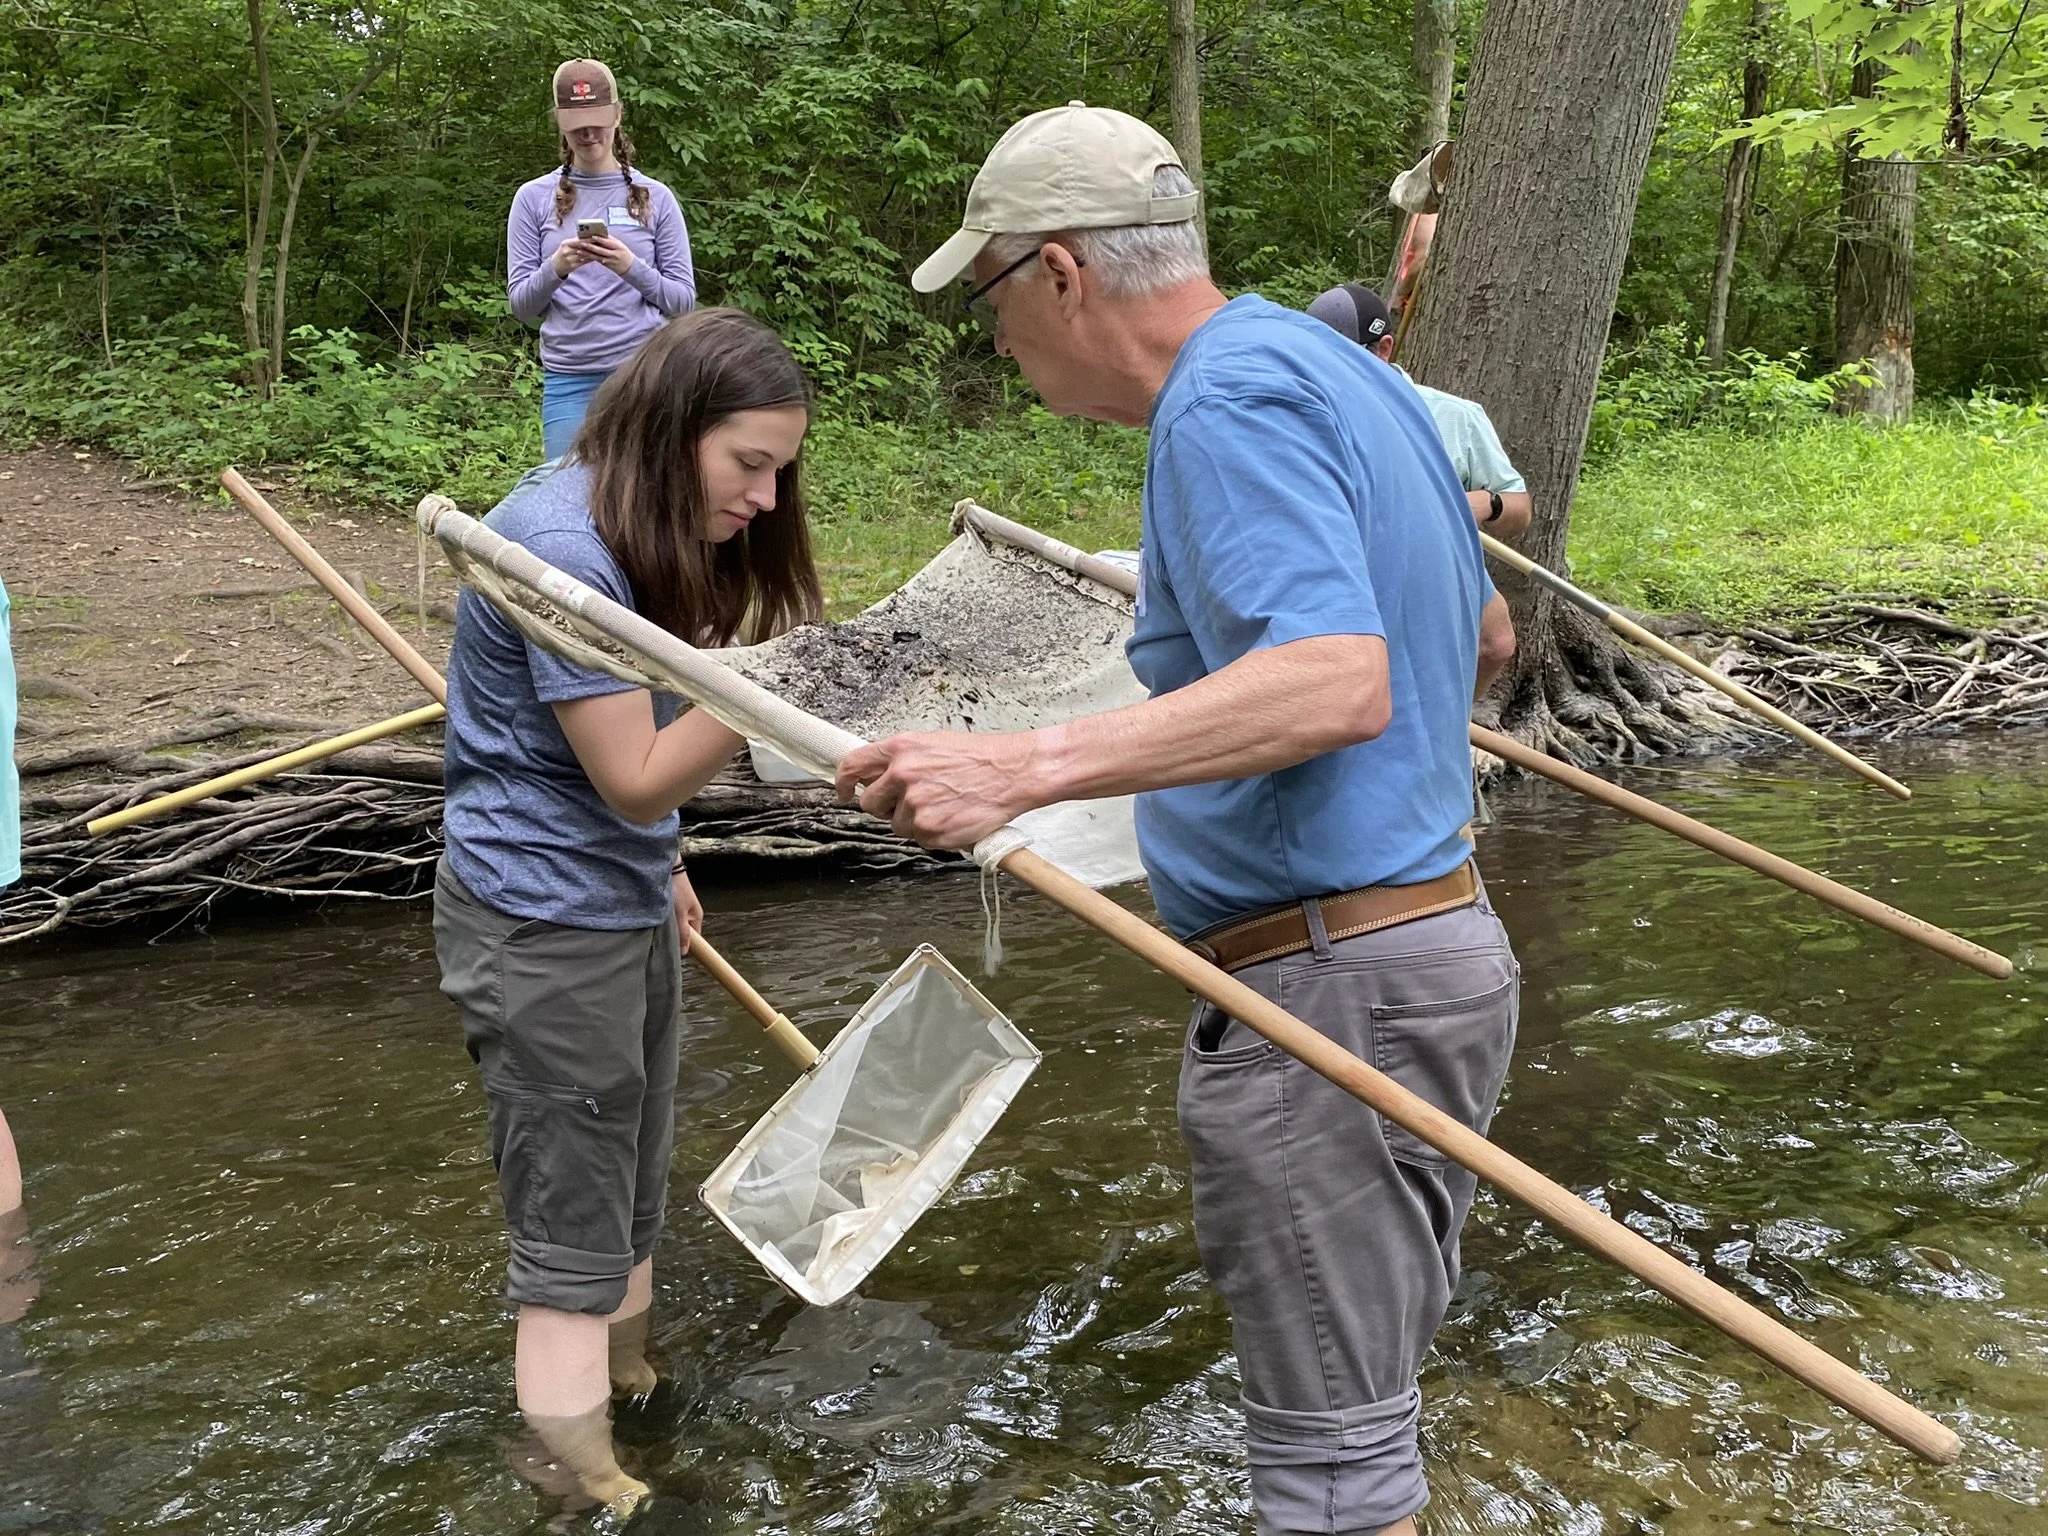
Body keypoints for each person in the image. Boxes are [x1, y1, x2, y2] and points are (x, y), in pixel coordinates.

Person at [836, 104, 1519, 1536]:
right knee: (1359, 1430)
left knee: (1331, 1478)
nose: (994, 334)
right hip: (1425, 955)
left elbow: (1336, 677)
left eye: (990, 293)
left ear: (1064, 273)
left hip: (1329, 996)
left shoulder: (1224, 401)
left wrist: (1018, 766)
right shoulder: (1334, 367)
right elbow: (1488, 632)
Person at [432, 307, 822, 1520]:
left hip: (618, 901)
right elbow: (637, 771)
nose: (764, 499)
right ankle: (570, 1471)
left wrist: (661, 861)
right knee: (568, 1238)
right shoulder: (557, 549)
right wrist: (779, 678)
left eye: (779, 471)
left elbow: (637, 775)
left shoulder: (625, 519)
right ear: (672, 429)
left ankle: (631, 1375)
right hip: (543, 930)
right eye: (747, 464)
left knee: (628, 1183)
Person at [508, 59, 697, 462]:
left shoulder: (656, 197)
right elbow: (522, 307)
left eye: (597, 120)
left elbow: (682, 302)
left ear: (617, 113)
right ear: (559, 120)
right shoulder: (532, 198)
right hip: (568, 379)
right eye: (576, 123)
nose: (589, 133)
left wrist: (630, 267)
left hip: (643, 376)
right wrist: (557, 267)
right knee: (567, 495)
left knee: (641, 498)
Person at [1306, 283, 1533, 538]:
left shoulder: (1455, 416)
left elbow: (1520, 509)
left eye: (1342, 360)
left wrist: (1489, 504)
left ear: (1383, 350)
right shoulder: (1306, 419)